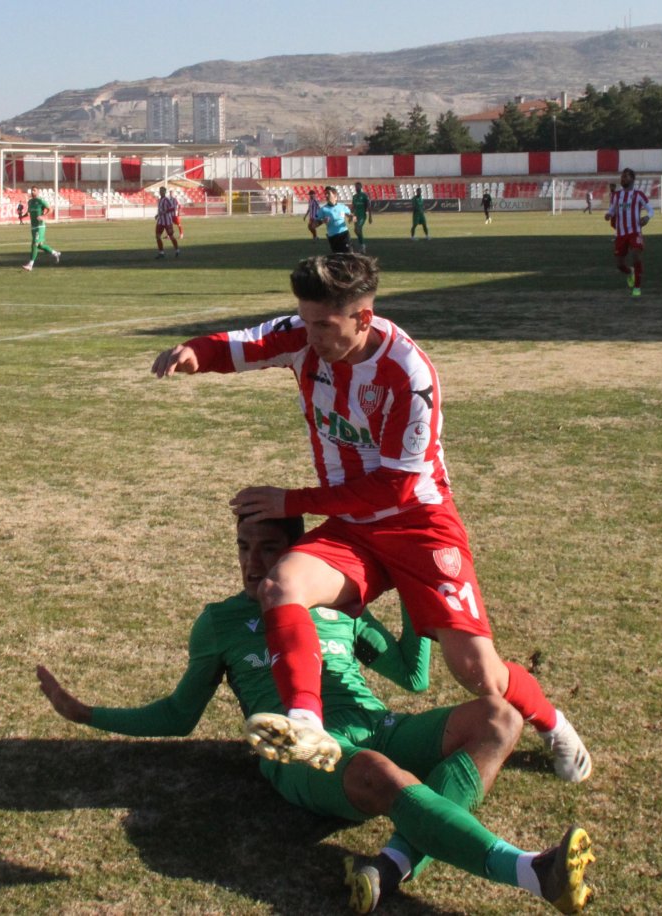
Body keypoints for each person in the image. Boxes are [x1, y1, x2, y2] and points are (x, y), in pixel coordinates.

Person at [150, 253, 592, 786]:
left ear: (363, 317)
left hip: (418, 524)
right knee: (281, 586)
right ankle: (307, 722)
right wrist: (195, 353)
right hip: (353, 525)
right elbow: (245, 346)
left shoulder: (408, 373)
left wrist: (293, 501)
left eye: (323, 325)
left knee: (479, 674)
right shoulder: (303, 333)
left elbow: (395, 486)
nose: (308, 334)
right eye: (304, 319)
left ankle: (554, 725)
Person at [37, 513, 595, 914]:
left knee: (499, 718)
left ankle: (391, 866)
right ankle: (530, 871)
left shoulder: (336, 608)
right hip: (301, 752)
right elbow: (181, 714)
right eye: (242, 548)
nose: (253, 563)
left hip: (382, 726)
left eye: (269, 549)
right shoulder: (220, 622)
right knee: (380, 771)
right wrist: (89, 714)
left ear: (297, 553)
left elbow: (413, 674)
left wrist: (407, 581)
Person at [604, 168, 653, 299]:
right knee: (620, 265)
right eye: (622, 176)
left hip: (635, 231)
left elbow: (650, 209)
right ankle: (630, 272)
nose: (622, 179)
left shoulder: (639, 195)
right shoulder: (616, 196)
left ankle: (637, 287)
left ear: (632, 179)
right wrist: (609, 214)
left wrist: (647, 218)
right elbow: (612, 210)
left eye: (625, 176)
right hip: (621, 234)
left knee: (636, 255)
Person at [21, 186, 61, 271]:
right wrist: (22, 216)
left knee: (34, 244)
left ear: (38, 192)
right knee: (40, 245)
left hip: (40, 226)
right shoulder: (30, 202)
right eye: (31, 190)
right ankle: (55, 253)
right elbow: (28, 213)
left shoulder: (40, 201)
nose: (32, 192)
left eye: (34, 190)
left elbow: (50, 209)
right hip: (33, 226)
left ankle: (30, 265)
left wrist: (43, 216)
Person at [316, 186, 354, 253]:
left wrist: (352, 218)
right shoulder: (323, 209)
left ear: (335, 195)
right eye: (325, 194)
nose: (326, 195)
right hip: (332, 237)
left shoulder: (342, 207)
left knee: (349, 255)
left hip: (344, 234)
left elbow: (351, 217)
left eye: (328, 193)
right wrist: (322, 221)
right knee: (337, 258)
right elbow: (313, 225)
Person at [155, 186, 180, 259]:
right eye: (160, 191)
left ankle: (177, 250)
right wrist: (157, 215)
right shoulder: (160, 200)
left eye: (162, 191)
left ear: (164, 192)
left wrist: (166, 211)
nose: (160, 192)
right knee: (157, 236)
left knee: (171, 236)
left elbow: (173, 208)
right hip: (160, 221)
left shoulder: (166, 200)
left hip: (167, 221)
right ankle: (161, 252)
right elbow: (160, 210)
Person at [351, 182, 372, 253]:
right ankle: (362, 245)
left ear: (361, 187)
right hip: (355, 216)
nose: (357, 188)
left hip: (362, 215)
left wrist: (370, 217)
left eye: (358, 187)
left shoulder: (364, 195)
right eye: (356, 187)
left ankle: (362, 245)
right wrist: (351, 216)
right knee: (356, 230)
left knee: (358, 229)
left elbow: (368, 205)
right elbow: (353, 207)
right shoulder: (354, 196)